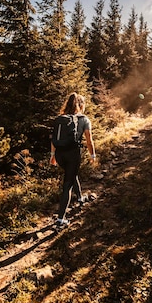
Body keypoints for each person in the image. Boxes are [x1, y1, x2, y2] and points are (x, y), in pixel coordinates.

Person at [50, 93, 96, 228]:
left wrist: (52, 155)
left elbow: (53, 138)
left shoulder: (60, 119)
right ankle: (60, 219)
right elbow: (89, 139)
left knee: (71, 174)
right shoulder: (84, 119)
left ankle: (80, 198)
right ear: (81, 105)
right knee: (67, 184)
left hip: (59, 154)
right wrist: (93, 155)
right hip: (73, 154)